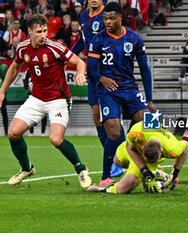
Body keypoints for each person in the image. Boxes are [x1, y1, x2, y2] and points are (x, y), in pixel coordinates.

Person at [0, 14, 91, 188]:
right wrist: (2, 91)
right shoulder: (23, 48)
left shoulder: (54, 46)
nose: (43, 35)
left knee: (56, 139)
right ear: (30, 32)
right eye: (39, 32)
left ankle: (81, 168)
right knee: (13, 133)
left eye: (45, 31)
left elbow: (79, 62)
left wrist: (80, 73)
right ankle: (27, 168)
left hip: (59, 99)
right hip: (36, 99)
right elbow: (14, 68)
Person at [87, 2, 156, 184]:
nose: (107, 22)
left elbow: (144, 70)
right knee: (115, 132)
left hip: (130, 89)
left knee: (147, 124)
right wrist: (102, 79)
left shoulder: (134, 38)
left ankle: (153, 168)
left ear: (120, 17)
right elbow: (91, 71)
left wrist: (149, 98)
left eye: (111, 18)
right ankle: (106, 177)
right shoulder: (98, 39)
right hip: (107, 91)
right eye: (105, 18)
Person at [72, 0, 125, 185]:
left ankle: (120, 159)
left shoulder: (108, 15)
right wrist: (69, 56)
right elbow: (82, 41)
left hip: (108, 72)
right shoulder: (84, 16)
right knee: (97, 117)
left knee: (111, 119)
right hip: (93, 72)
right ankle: (115, 158)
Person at [87, 121, 187, 194]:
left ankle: (104, 188)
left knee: (122, 189)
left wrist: (174, 175)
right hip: (133, 151)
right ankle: (154, 174)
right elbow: (128, 147)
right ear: (143, 146)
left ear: (161, 151)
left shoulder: (173, 148)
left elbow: (186, 146)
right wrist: (145, 171)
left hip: (145, 158)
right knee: (117, 161)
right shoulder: (137, 132)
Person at [0, 61, 8, 136]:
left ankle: (6, 131)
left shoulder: (3, 67)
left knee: (4, 112)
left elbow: (6, 79)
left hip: (1, 94)